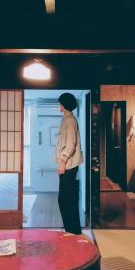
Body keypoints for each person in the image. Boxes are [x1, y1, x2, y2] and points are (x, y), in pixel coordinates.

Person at [56, 92, 84, 235]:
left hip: (69, 165)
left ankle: (72, 231)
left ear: (65, 105)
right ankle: (72, 230)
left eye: (61, 103)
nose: (59, 105)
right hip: (68, 164)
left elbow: (71, 144)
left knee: (65, 199)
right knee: (67, 198)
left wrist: (62, 162)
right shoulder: (67, 119)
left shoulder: (70, 120)